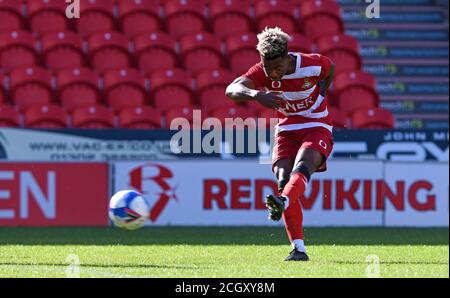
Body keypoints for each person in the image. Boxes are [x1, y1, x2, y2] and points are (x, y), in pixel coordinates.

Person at [225, 27, 335, 261]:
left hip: (316, 123)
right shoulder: (262, 72)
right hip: (286, 128)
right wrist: (256, 95)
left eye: (277, 67)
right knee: (283, 179)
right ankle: (299, 249)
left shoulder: (312, 64)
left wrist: (323, 91)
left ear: (288, 58)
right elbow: (231, 89)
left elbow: (330, 69)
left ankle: (283, 201)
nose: (273, 73)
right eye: (268, 68)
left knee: (304, 165)